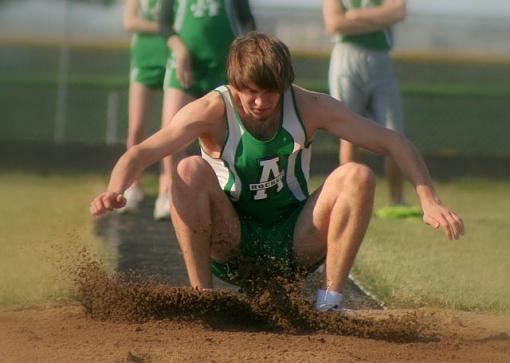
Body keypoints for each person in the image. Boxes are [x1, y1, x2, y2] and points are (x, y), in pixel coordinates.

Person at [90, 32, 464, 312]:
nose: (260, 102)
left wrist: (428, 199)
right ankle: (203, 300)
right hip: (232, 241)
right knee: (188, 168)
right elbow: (144, 151)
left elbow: (391, 141)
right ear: (234, 85)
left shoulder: (309, 106)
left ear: (284, 84)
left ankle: (330, 301)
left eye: (270, 92)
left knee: (356, 175)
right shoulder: (211, 109)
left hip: (294, 242)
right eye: (250, 91)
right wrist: (115, 188)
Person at [152, 0, 256, 219]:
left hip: (224, 66)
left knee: (232, 135)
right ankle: (169, 193)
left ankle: (234, 195)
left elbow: (247, 21)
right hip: (185, 65)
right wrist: (179, 50)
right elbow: (163, 22)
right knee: (172, 130)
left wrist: (243, 56)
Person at [323, 0, 408, 209]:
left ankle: (397, 201)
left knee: (394, 133)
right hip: (346, 58)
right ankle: (348, 200)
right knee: (349, 132)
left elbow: (398, 11)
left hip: (381, 61)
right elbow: (335, 24)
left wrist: (357, 15)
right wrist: (380, 19)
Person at [121, 0, 170, 211]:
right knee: (136, 127)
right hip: (145, 58)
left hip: (173, 54)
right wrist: (163, 27)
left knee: (170, 129)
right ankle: (132, 185)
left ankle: (166, 191)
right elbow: (130, 21)